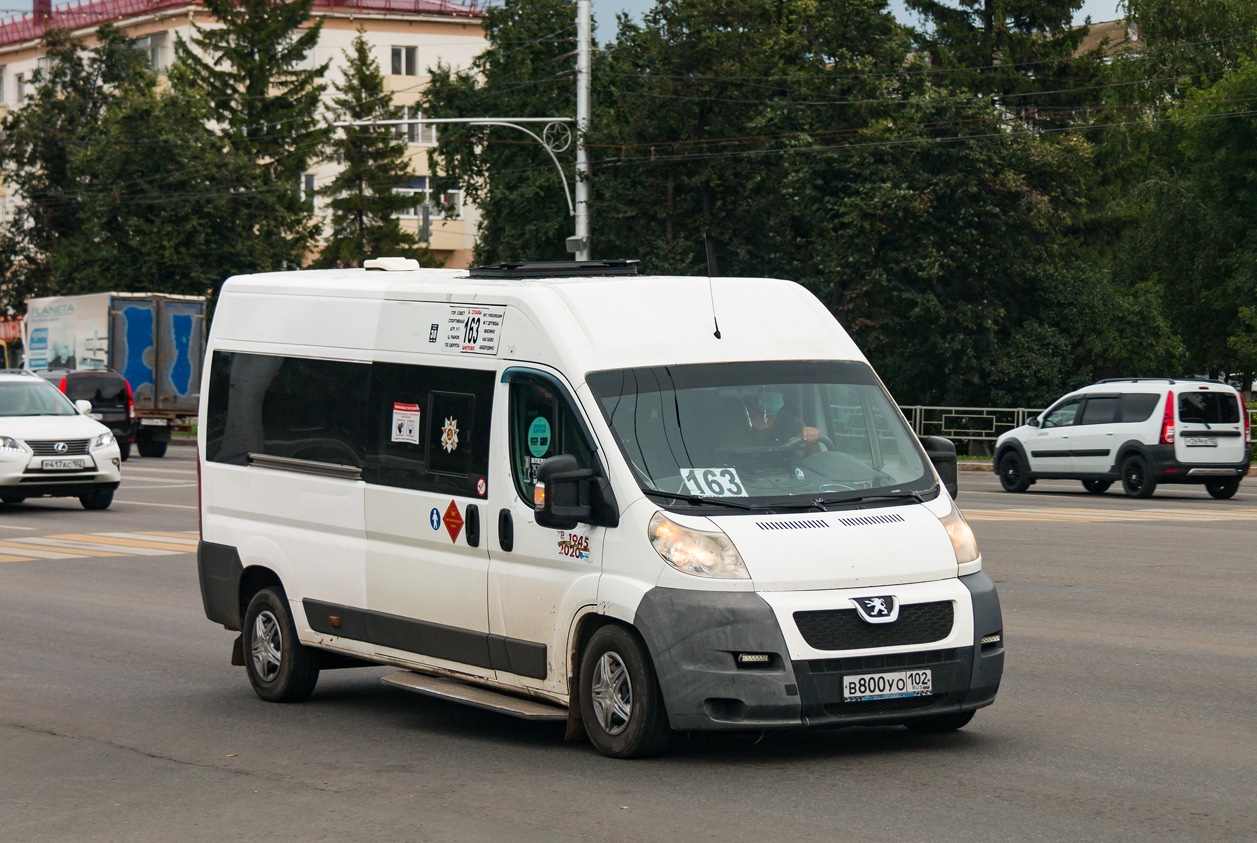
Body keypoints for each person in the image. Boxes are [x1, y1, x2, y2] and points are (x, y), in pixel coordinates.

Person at [742, 387, 820, 453]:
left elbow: (816, 458)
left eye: (777, 390)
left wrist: (811, 440)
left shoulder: (792, 423)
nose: (773, 394)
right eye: (766, 390)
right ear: (751, 397)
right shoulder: (738, 426)